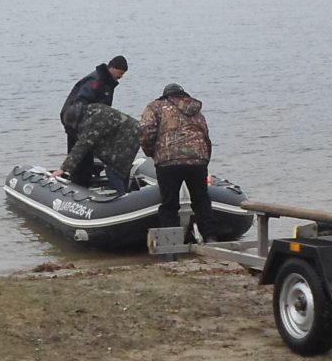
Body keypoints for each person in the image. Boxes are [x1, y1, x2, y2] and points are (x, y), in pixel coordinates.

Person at [139, 83, 215, 240]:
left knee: (169, 204)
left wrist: (151, 153)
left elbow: (146, 132)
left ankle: (171, 245)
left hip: (168, 162)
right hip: (197, 159)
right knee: (201, 200)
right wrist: (204, 158)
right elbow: (205, 135)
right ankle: (210, 238)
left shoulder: (155, 107)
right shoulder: (195, 110)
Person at [57, 103, 143, 194]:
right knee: (118, 166)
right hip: (127, 134)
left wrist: (63, 169)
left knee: (113, 171)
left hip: (129, 136)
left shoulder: (92, 121)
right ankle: (126, 191)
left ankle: (123, 198)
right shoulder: (90, 110)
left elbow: (82, 145)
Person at [61, 55, 129, 151]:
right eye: (120, 73)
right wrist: (82, 127)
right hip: (74, 122)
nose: (121, 77)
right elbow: (80, 102)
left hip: (89, 125)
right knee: (78, 155)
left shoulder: (107, 82)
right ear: (112, 68)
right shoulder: (95, 81)